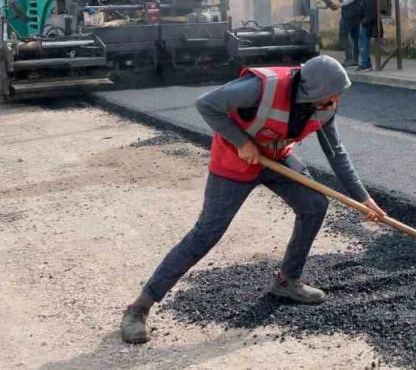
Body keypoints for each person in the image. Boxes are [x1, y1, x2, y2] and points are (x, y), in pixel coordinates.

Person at [121, 55, 385, 344]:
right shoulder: (261, 87)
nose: (336, 100)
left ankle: (287, 281)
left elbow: (336, 153)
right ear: (314, 90)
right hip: (235, 163)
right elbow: (206, 104)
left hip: (276, 159)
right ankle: (139, 307)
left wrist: (364, 198)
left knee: (314, 205)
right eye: (332, 93)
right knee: (206, 234)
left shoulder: (325, 106)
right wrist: (241, 142)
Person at [333, 0, 361, 66]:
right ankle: (355, 59)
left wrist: (342, 3)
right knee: (355, 36)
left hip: (349, 14)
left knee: (342, 34)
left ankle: (349, 58)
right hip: (355, 13)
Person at [355, 0, 377, 71]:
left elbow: (371, 14)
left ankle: (365, 64)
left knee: (364, 45)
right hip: (364, 24)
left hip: (366, 25)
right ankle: (366, 63)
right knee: (362, 44)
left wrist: (363, 22)